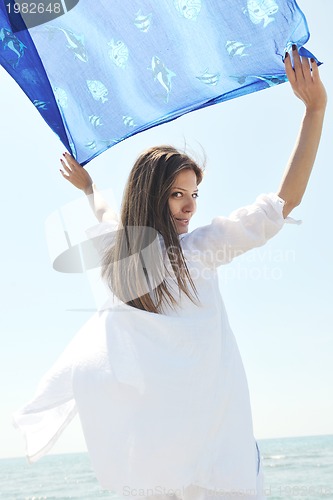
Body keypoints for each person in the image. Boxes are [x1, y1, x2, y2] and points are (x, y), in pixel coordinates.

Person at [14, 47, 326, 500]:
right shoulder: (131, 252)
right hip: (183, 452)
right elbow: (285, 202)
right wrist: (315, 108)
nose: (190, 205)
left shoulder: (184, 248)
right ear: (150, 193)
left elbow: (281, 203)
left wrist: (89, 186)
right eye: (177, 193)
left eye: (195, 193)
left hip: (196, 448)